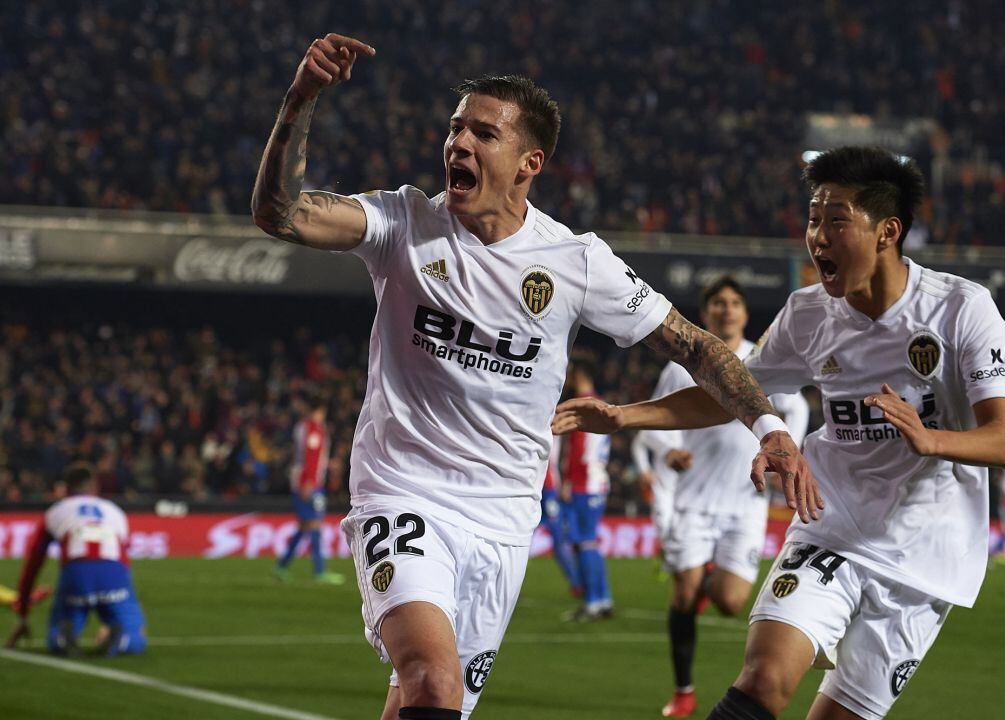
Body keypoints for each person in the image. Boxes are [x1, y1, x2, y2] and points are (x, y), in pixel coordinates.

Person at [251, 33, 818, 720]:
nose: (458, 143)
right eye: (455, 127)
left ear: (529, 163)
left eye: (482, 133)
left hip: (504, 514)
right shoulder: (404, 221)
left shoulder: (575, 262)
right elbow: (278, 213)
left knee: (424, 702)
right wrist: (300, 100)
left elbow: (695, 346)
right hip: (404, 490)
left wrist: (769, 426)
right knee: (433, 681)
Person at [553, 146, 1005, 720]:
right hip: (829, 527)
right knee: (762, 679)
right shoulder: (808, 313)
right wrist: (627, 415)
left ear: (887, 231)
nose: (818, 237)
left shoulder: (961, 309)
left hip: (923, 556)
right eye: (812, 218)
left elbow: (1004, 442)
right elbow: (729, 391)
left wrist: (933, 441)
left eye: (837, 221)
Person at [637, 278, 810, 718]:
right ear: (706, 312)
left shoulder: (764, 361)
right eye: (718, 303)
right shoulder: (682, 366)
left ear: (745, 314)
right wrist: (669, 449)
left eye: (734, 303)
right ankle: (683, 690)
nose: (727, 310)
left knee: (731, 601)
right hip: (693, 501)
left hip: (745, 502)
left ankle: (706, 577)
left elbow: (797, 412)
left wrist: (789, 455)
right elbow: (654, 423)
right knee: (683, 594)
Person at [5, 463, 147, 656]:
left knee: (67, 619)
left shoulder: (56, 511)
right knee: (135, 633)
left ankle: (61, 639)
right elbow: (124, 556)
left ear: (66, 489)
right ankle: (123, 638)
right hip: (113, 573)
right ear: (95, 488)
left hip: (76, 574)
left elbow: (33, 564)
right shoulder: (115, 511)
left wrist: (23, 614)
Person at [561, 357, 614, 621]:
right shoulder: (600, 403)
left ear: (578, 374)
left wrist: (569, 480)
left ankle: (593, 601)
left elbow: (580, 448)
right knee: (588, 541)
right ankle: (603, 599)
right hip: (596, 480)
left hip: (586, 482)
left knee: (584, 542)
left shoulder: (584, 406)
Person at [275, 397, 344, 584]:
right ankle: (319, 571)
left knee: (306, 525)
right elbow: (310, 458)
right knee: (315, 524)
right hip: (310, 484)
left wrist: (325, 465)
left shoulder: (303, 427)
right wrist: (309, 482)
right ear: (319, 410)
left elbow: (307, 457)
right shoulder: (314, 429)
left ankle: (281, 566)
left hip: (306, 481)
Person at [538, 440, 580, 596]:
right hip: (533, 485)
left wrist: (564, 482)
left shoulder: (554, 423)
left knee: (559, 537)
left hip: (548, 488)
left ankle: (576, 582)